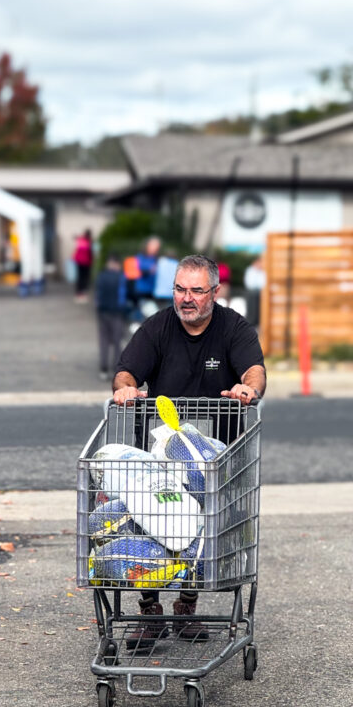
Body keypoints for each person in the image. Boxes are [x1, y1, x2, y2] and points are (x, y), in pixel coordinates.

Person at [112, 253, 266, 651]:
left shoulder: (234, 328)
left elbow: (254, 371)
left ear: (215, 292)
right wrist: (126, 387)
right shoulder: (157, 328)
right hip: (161, 456)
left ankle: (186, 605)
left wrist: (247, 388)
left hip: (213, 460)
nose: (187, 298)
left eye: (197, 290)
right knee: (149, 521)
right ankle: (149, 611)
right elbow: (126, 371)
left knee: (201, 522)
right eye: (180, 289)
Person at [94, 254, 129, 381]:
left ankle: (103, 368)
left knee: (103, 341)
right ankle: (116, 370)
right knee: (117, 342)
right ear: (117, 264)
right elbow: (123, 296)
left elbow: (97, 295)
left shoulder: (101, 276)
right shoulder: (121, 277)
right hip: (117, 313)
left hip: (102, 312)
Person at [73, 229, 93, 301]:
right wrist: (91, 261)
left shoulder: (80, 240)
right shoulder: (89, 242)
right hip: (86, 262)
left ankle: (78, 293)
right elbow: (90, 253)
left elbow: (75, 238)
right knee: (85, 277)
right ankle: (83, 294)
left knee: (80, 277)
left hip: (79, 262)